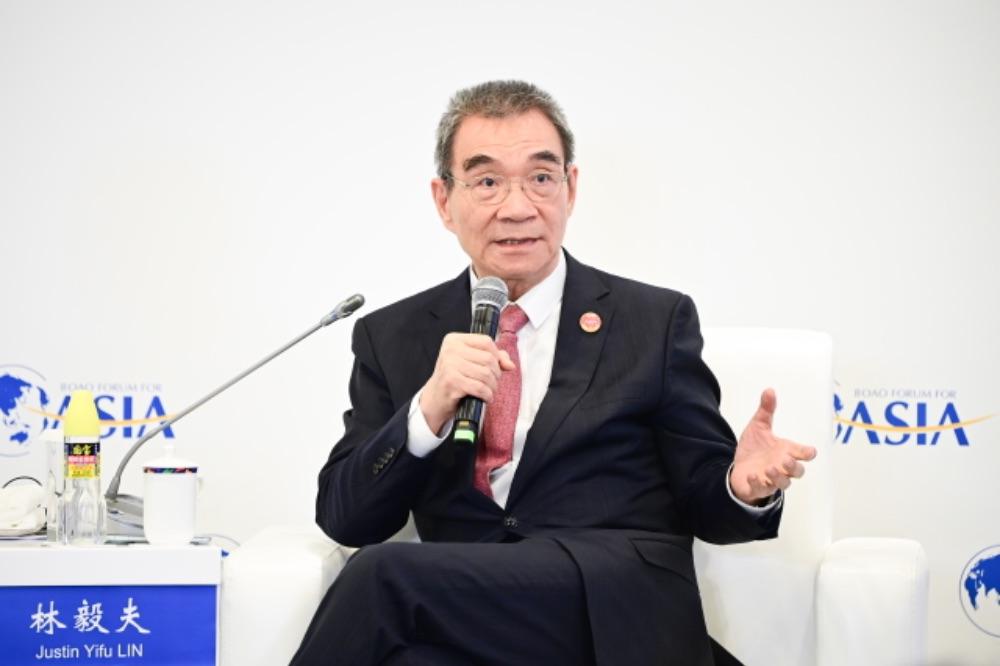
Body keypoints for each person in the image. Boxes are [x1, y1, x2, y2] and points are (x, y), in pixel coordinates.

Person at [291, 80, 816, 666]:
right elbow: (346, 518)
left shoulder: (653, 320)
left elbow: (705, 500)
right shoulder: (393, 336)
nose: (517, 208)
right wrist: (427, 409)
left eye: (541, 178)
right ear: (444, 201)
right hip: (473, 621)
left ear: (570, 188)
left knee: (381, 576)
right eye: (487, 182)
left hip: (613, 606)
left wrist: (741, 487)